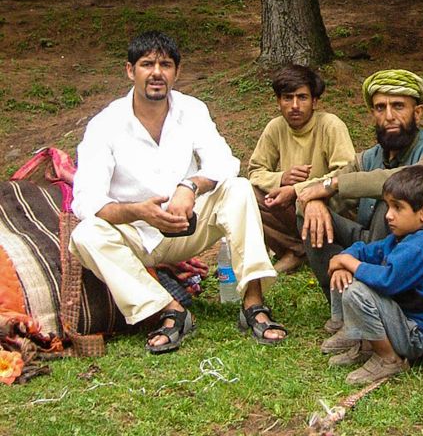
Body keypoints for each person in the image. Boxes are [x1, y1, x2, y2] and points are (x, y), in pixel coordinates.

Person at [69, 31, 286, 354]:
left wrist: (190, 186)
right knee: (85, 234)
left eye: (165, 64)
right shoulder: (105, 124)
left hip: (189, 225)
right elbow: (88, 200)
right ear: (130, 71)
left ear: (176, 72)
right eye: (147, 64)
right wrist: (139, 211)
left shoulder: (192, 110)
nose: (157, 72)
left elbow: (223, 160)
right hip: (138, 236)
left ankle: (253, 302)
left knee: (239, 188)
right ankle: (170, 310)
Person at [297, 69, 423, 347]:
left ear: (418, 112)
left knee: (392, 199)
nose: (388, 116)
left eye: (398, 106)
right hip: (373, 242)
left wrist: (332, 184)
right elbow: (321, 189)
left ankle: (373, 314)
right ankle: (342, 308)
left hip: (417, 255)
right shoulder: (369, 158)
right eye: (380, 107)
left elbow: (392, 180)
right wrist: (315, 201)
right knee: (307, 209)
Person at [326, 166, 423, 384]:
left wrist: (348, 262)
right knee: (346, 274)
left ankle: (388, 359)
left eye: (398, 208)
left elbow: (388, 281)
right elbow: (366, 250)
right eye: (388, 206)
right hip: (396, 321)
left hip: (413, 333)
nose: (388, 215)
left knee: (356, 290)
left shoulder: (421, 247)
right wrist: (342, 260)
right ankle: (357, 337)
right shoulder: (402, 238)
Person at [248, 64, 355, 274]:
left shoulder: (330, 125)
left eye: (302, 97)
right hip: (294, 205)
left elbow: (347, 172)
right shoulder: (276, 127)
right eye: (287, 98)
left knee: (314, 200)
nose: (294, 105)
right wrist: (281, 178)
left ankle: (323, 248)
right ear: (279, 101)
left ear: (314, 101)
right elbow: (255, 171)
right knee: (249, 194)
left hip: (329, 203)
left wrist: (298, 190)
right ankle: (295, 250)